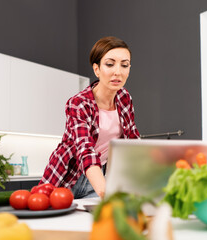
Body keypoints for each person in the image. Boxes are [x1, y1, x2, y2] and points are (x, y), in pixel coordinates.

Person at [39, 36, 140, 199]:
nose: (118, 72)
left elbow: (132, 140)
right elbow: (85, 150)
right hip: (66, 177)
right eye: (109, 64)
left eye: (124, 65)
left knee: (93, 221)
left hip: (99, 176)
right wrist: (108, 196)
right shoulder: (79, 103)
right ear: (96, 69)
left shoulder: (124, 98)